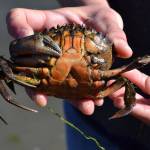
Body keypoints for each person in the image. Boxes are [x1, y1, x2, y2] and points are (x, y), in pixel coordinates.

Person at [6, 0, 150, 149]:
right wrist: (90, 5)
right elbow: (13, 58)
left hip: (126, 119)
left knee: (126, 79)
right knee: (6, 68)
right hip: (95, 125)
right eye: (58, 35)